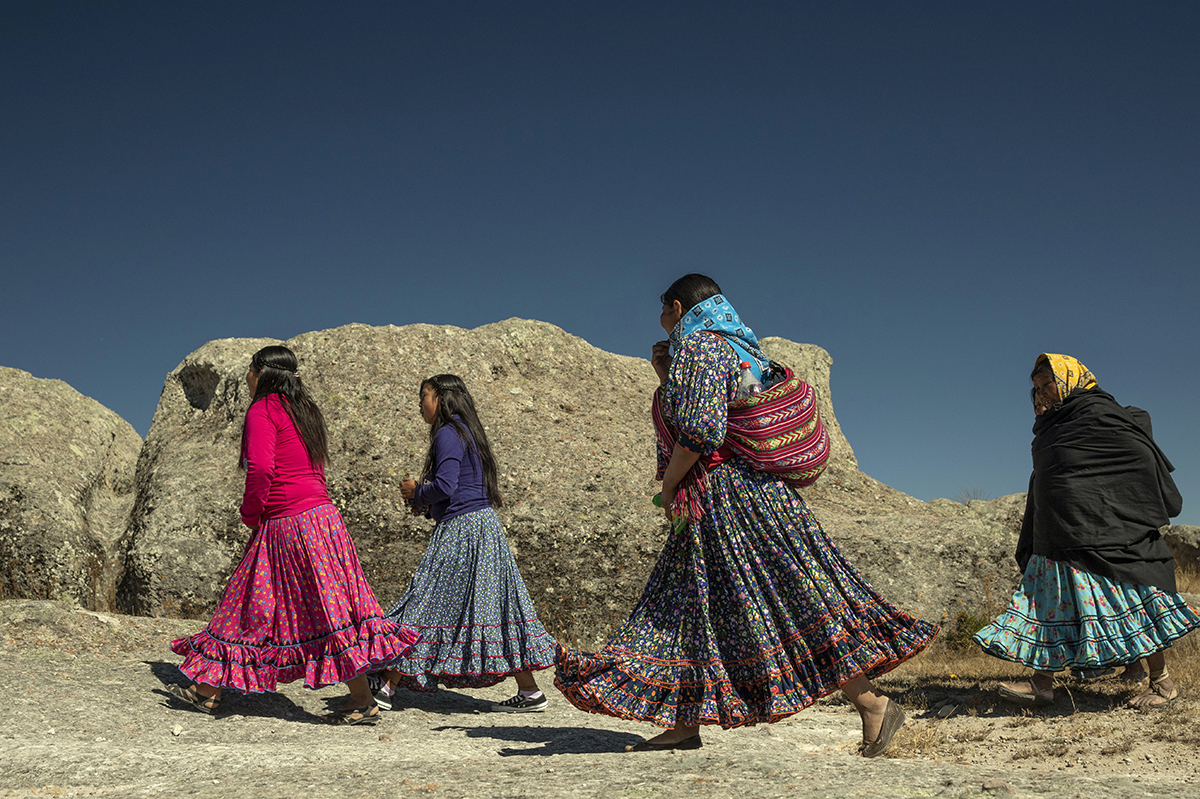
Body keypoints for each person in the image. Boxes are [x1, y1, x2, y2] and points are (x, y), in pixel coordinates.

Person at [555, 274, 939, 755]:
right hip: (753, 496)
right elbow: (720, 410)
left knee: (782, 602)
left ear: (676, 308)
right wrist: (666, 377)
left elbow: (700, 431)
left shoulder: (700, 349)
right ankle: (685, 722)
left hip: (727, 500)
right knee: (696, 607)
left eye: (663, 312)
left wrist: (671, 483)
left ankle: (874, 706)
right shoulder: (740, 351)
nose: (661, 321)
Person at [168, 345, 418, 725]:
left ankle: (207, 691)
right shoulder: (306, 412)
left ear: (260, 374)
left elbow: (262, 470)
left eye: (249, 372)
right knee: (333, 609)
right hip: (324, 519)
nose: (248, 379)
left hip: (289, 520)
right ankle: (361, 698)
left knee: (248, 602)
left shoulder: (263, 410)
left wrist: (251, 513)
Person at [974, 353, 1200, 709]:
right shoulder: (1051, 426)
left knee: (1131, 597)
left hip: (1105, 530)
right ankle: (1041, 684)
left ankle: (1163, 684)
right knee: (1048, 602)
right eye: (1034, 389)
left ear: (1067, 380)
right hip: (1058, 530)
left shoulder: (1098, 412)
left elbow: (1137, 454)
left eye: (1046, 385)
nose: (1040, 394)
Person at [369, 374, 557, 711]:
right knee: (499, 607)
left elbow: (445, 485)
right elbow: (460, 487)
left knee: (426, 599)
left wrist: (418, 493)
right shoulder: (467, 430)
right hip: (484, 527)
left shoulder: (447, 432)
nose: (420, 404)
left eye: (423, 395)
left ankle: (385, 685)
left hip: (462, 531)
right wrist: (428, 504)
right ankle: (530, 691)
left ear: (440, 397)